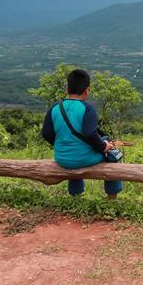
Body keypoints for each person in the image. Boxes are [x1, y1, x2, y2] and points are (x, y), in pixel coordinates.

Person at [41, 69, 123, 199]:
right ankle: (112, 198)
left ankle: (76, 197)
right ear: (87, 90)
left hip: (62, 158)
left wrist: (63, 145)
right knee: (112, 156)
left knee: (80, 149)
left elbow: (46, 133)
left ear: (67, 89)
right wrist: (104, 147)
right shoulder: (87, 109)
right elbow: (90, 134)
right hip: (84, 159)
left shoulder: (55, 107)